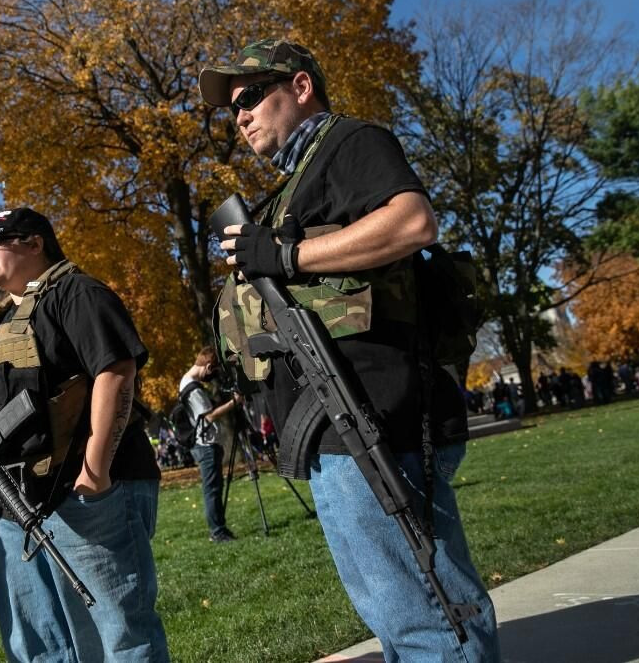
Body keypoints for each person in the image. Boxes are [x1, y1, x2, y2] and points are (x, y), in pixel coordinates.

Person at [200, 40, 500, 661]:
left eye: (252, 97)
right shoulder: (291, 185)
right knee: (399, 612)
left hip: (373, 415)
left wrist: (285, 256)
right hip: (339, 421)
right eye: (232, 110)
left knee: (426, 612)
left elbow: (414, 221)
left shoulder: (347, 142)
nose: (241, 116)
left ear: (301, 87)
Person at [0, 207, 169, 662]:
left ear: (34, 243)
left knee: (117, 637)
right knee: (36, 645)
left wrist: (95, 471)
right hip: (12, 507)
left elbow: (116, 371)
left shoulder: (77, 292)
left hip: (83, 492)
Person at [178, 346, 239, 542]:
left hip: (205, 444)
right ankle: (217, 531)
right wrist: (234, 403)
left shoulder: (188, 383)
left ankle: (220, 528)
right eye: (214, 371)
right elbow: (208, 417)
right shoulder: (192, 388)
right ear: (209, 365)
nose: (212, 376)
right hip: (205, 445)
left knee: (215, 487)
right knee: (212, 489)